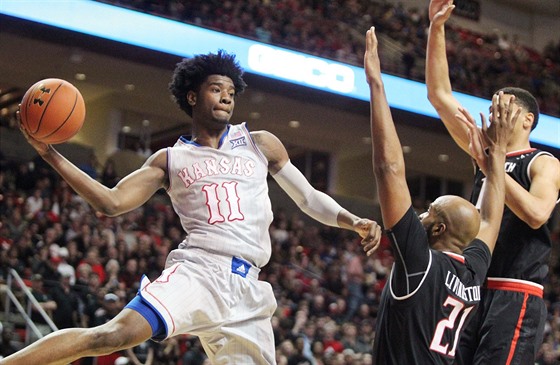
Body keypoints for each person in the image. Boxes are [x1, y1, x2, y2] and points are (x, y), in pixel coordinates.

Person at [2, 50, 382, 365]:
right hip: (201, 271)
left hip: (248, 289)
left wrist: (351, 220)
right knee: (113, 335)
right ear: (192, 97)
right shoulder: (170, 159)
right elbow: (111, 202)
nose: (227, 97)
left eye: (231, 91)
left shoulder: (260, 143)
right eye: (216, 89)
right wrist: (50, 154)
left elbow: (308, 197)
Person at [364, 26, 513, 364]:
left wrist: (376, 85)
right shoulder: (473, 270)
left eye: (430, 210)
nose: (420, 213)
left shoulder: (420, 263)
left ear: (439, 229)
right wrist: (496, 157)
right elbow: (489, 218)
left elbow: (388, 169)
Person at [425, 1, 560, 363]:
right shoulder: (483, 152)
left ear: (528, 119)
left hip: (515, 289)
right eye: (494, 103)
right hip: (471, 285)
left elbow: (536, 214)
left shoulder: (543, 162)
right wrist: (436, 29)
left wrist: (492, 165)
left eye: (506, 106)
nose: (496, 110)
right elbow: (439, 97)